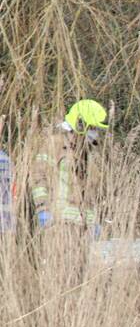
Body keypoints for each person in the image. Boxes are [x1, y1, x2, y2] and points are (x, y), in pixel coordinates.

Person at [30, 99, 110, 232]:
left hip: (86, 227)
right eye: (92, 128)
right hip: (58, 223)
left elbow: (99, 190)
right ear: (79, 125)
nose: (95, 133)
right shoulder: (54, 145)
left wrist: (97, 220)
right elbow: (38, 178)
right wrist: (43, 209)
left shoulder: (93, 153)